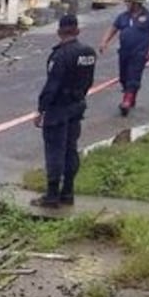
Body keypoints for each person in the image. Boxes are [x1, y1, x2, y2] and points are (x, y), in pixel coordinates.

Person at [34, 14, 98, 209]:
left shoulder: (60, 55)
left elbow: (52, 86)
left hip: (58, 109)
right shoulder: (88, 53)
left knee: (55, 151)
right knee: (71, 150)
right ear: (77, 31)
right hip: (77, 106)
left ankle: (52, 195)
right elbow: (89, 81)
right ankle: (68, 192)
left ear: (59, 32)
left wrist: (41, 109)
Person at [99, 0, 149, 116]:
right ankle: (131, 94)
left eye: (129, 2)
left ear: (136, 3)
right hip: (124, 52)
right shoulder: (123, 17)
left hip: (139, 53)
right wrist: (104, 42)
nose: (127, 4)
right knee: (123, 77)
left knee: (133, 76)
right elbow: (113, 28)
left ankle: (126, 101)